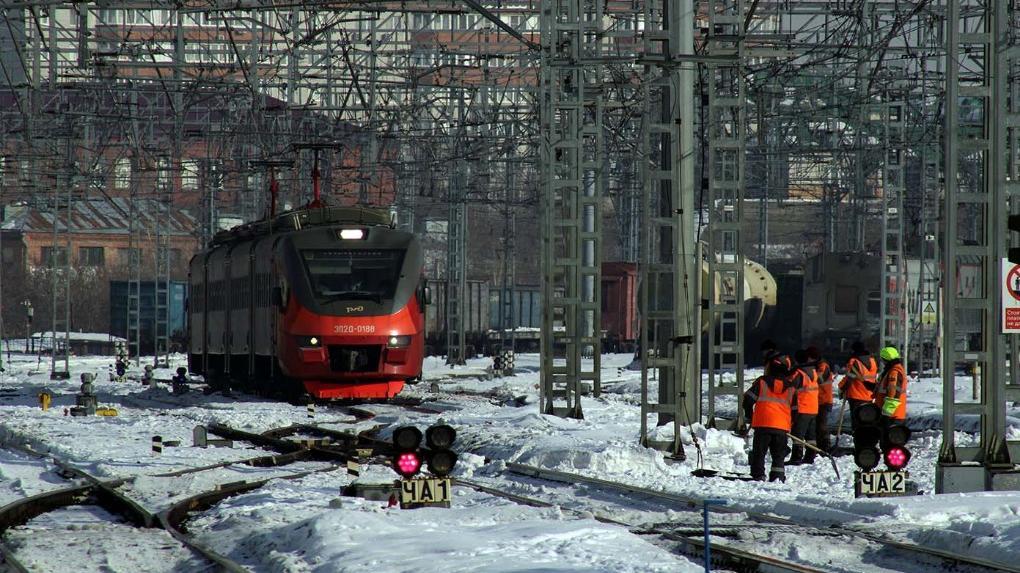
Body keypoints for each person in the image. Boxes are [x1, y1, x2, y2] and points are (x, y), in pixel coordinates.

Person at [742, 355, 797, 482]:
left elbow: (748, 400)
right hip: (781, 427)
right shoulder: (791, 387)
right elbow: (795, 410)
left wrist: (750, 415)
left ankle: (758, 475)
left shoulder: (762, 382)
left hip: (763, 424)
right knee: (778, 455)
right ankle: (778, 477)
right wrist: (790, 423)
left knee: (759, 453)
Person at [837, 341, 878, 432]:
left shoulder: (854, 361)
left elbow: (849, 379)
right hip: (869, 395)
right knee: (867, 420)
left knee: (857, 421)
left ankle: (858, 440)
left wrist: (841, 388)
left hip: (856, 396)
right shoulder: (872, 361)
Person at [788, 349, 819, 464]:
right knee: (810, 435)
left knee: (798, 434)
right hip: (813, 408)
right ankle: (810, 456)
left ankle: (796, 457)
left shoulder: (798, 373)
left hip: (802, 407)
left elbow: (790, 387)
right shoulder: (814, 372)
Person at [807, 346, 835, 451]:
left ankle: (825, 446)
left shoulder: (823, 366)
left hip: (824, 400)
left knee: (821, 425)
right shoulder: (816, 366)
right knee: (816, 425)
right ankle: (819, 445)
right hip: (816, 400)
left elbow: (817, 379)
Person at [875, 346, 908, 421]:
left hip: (892, 415)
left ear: (885, 360)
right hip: (892, 413)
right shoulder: (892, 370)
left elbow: (893, 392)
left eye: (882, 359)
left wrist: (887, 413)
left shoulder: (894, 372)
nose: (882, 362)